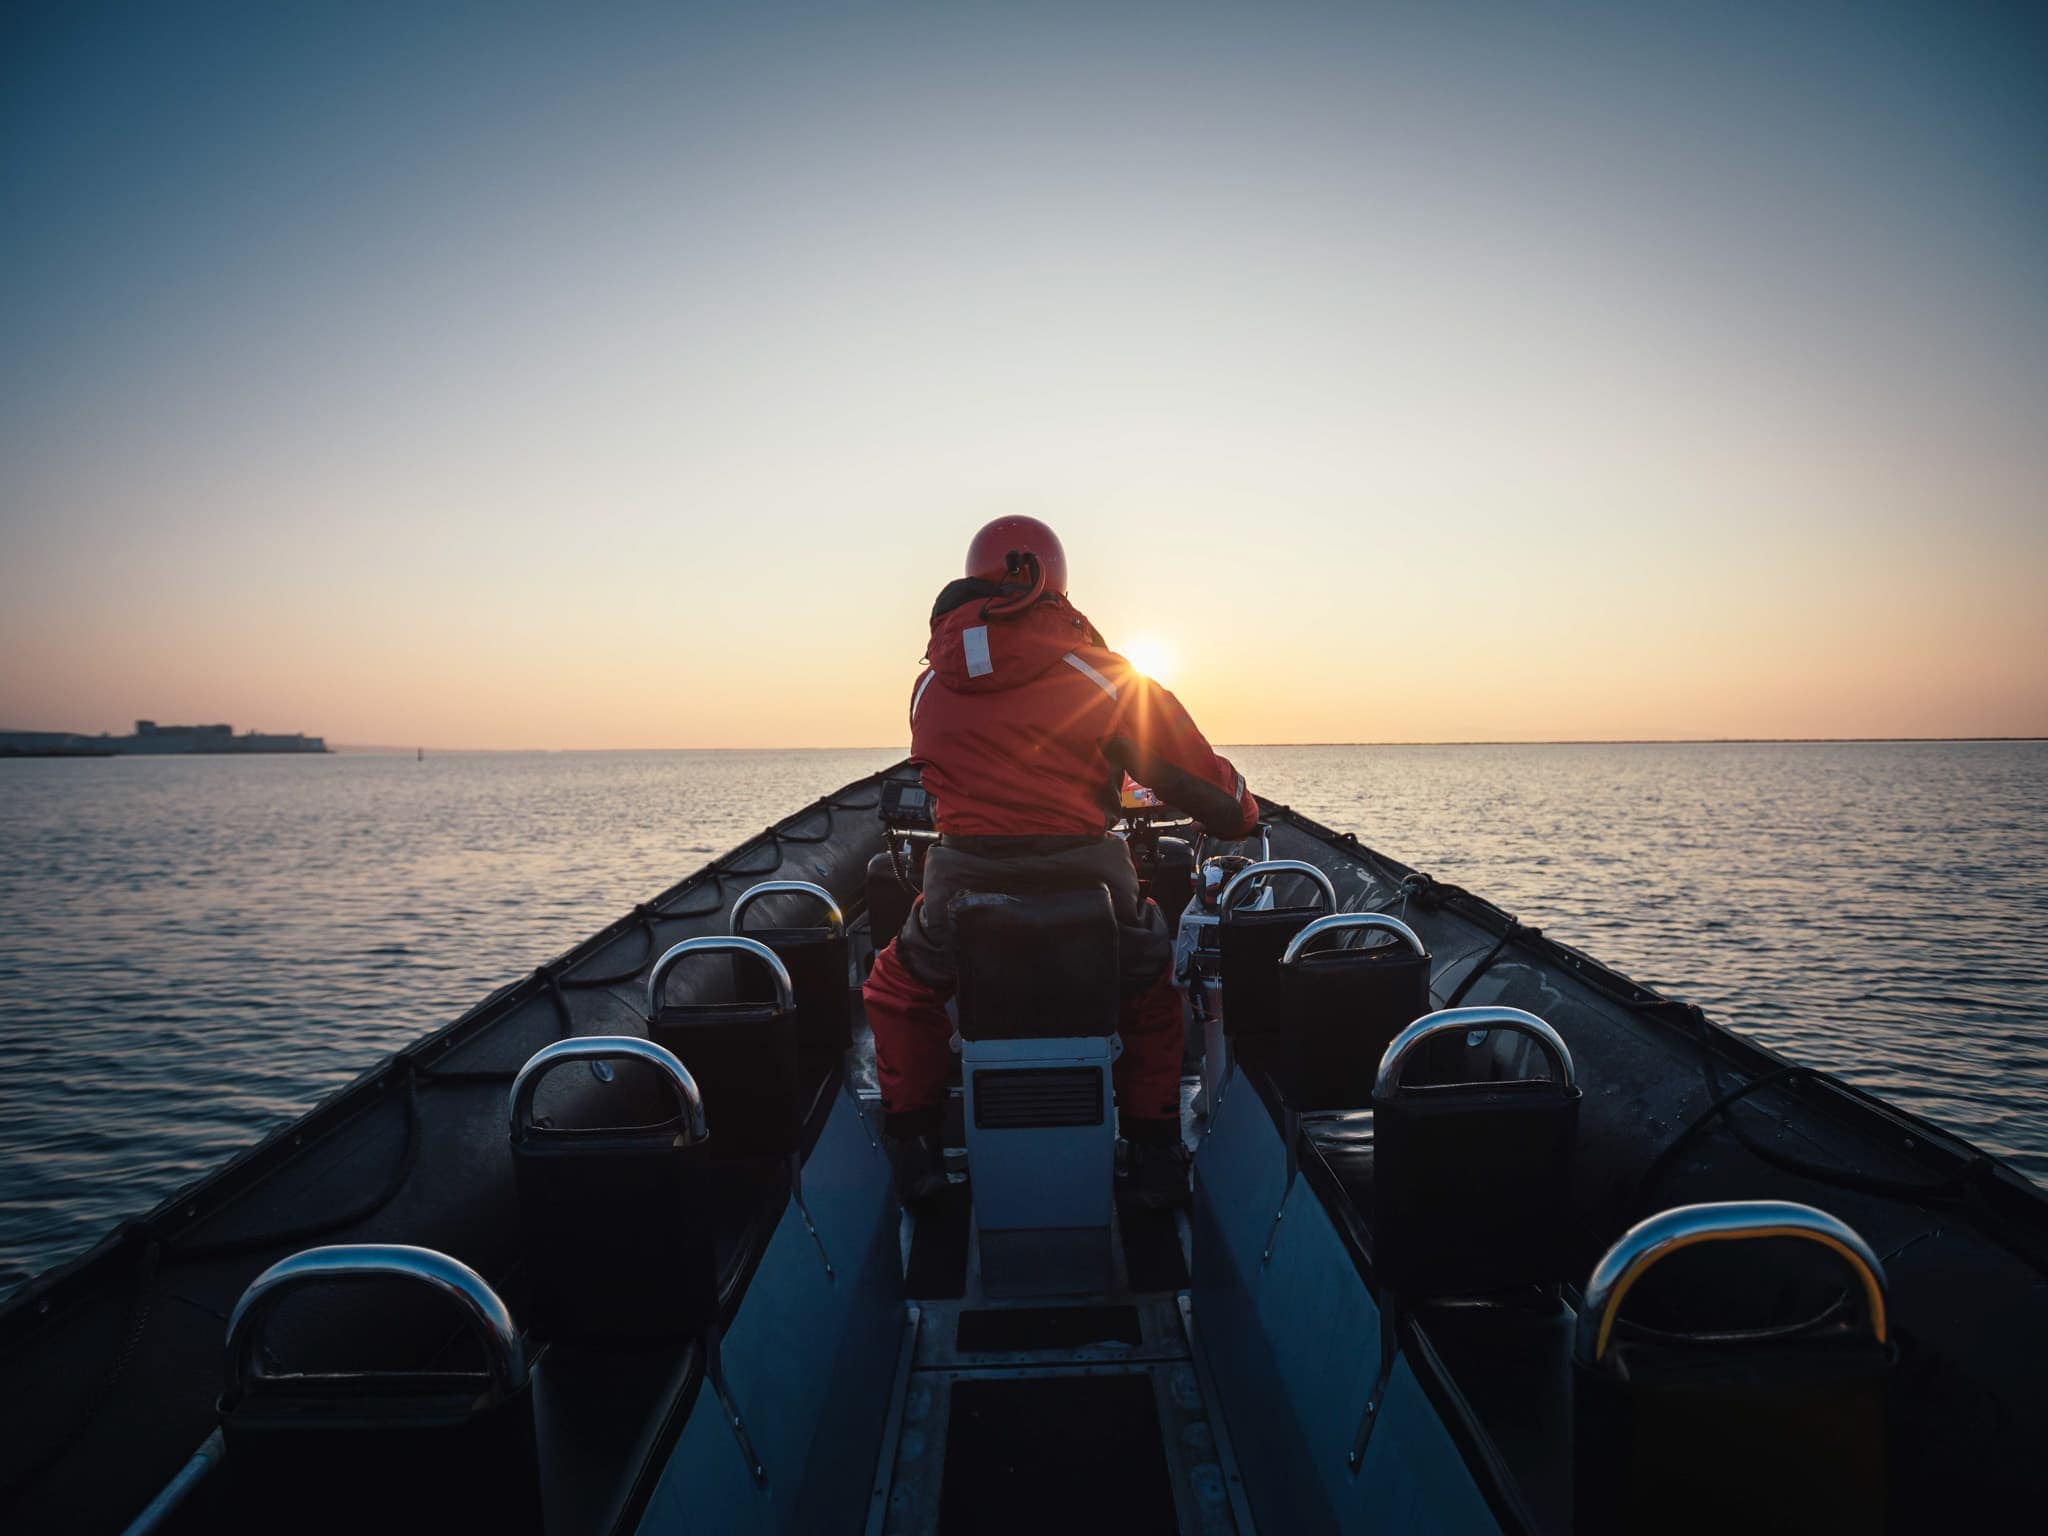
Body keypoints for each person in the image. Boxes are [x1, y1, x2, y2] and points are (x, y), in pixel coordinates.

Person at [863, 515, 1260, 1208]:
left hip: (959, 881)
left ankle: (916, 1149)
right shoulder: (1103, 677)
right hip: (1090, 876)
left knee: (898, 990)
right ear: (1057, 582)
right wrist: (1241, 807)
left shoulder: (929, 685)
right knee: (1150, 991)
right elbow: (1204, 788)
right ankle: (1154, 1150)